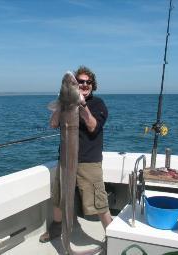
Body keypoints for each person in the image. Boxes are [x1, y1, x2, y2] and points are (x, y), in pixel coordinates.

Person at [39, 65, 112, 243]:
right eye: (80, 82)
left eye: (88, 82)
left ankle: (112, 237)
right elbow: (53, 124)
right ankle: (56, 228)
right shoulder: (65, 103)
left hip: (89, 161)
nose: (84, 84)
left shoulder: (98, 104)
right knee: (59, 196)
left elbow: (93, 126)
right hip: (65, 158)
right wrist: (62, 102)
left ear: (93, 85)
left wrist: (82, 105)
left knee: (98, 202)